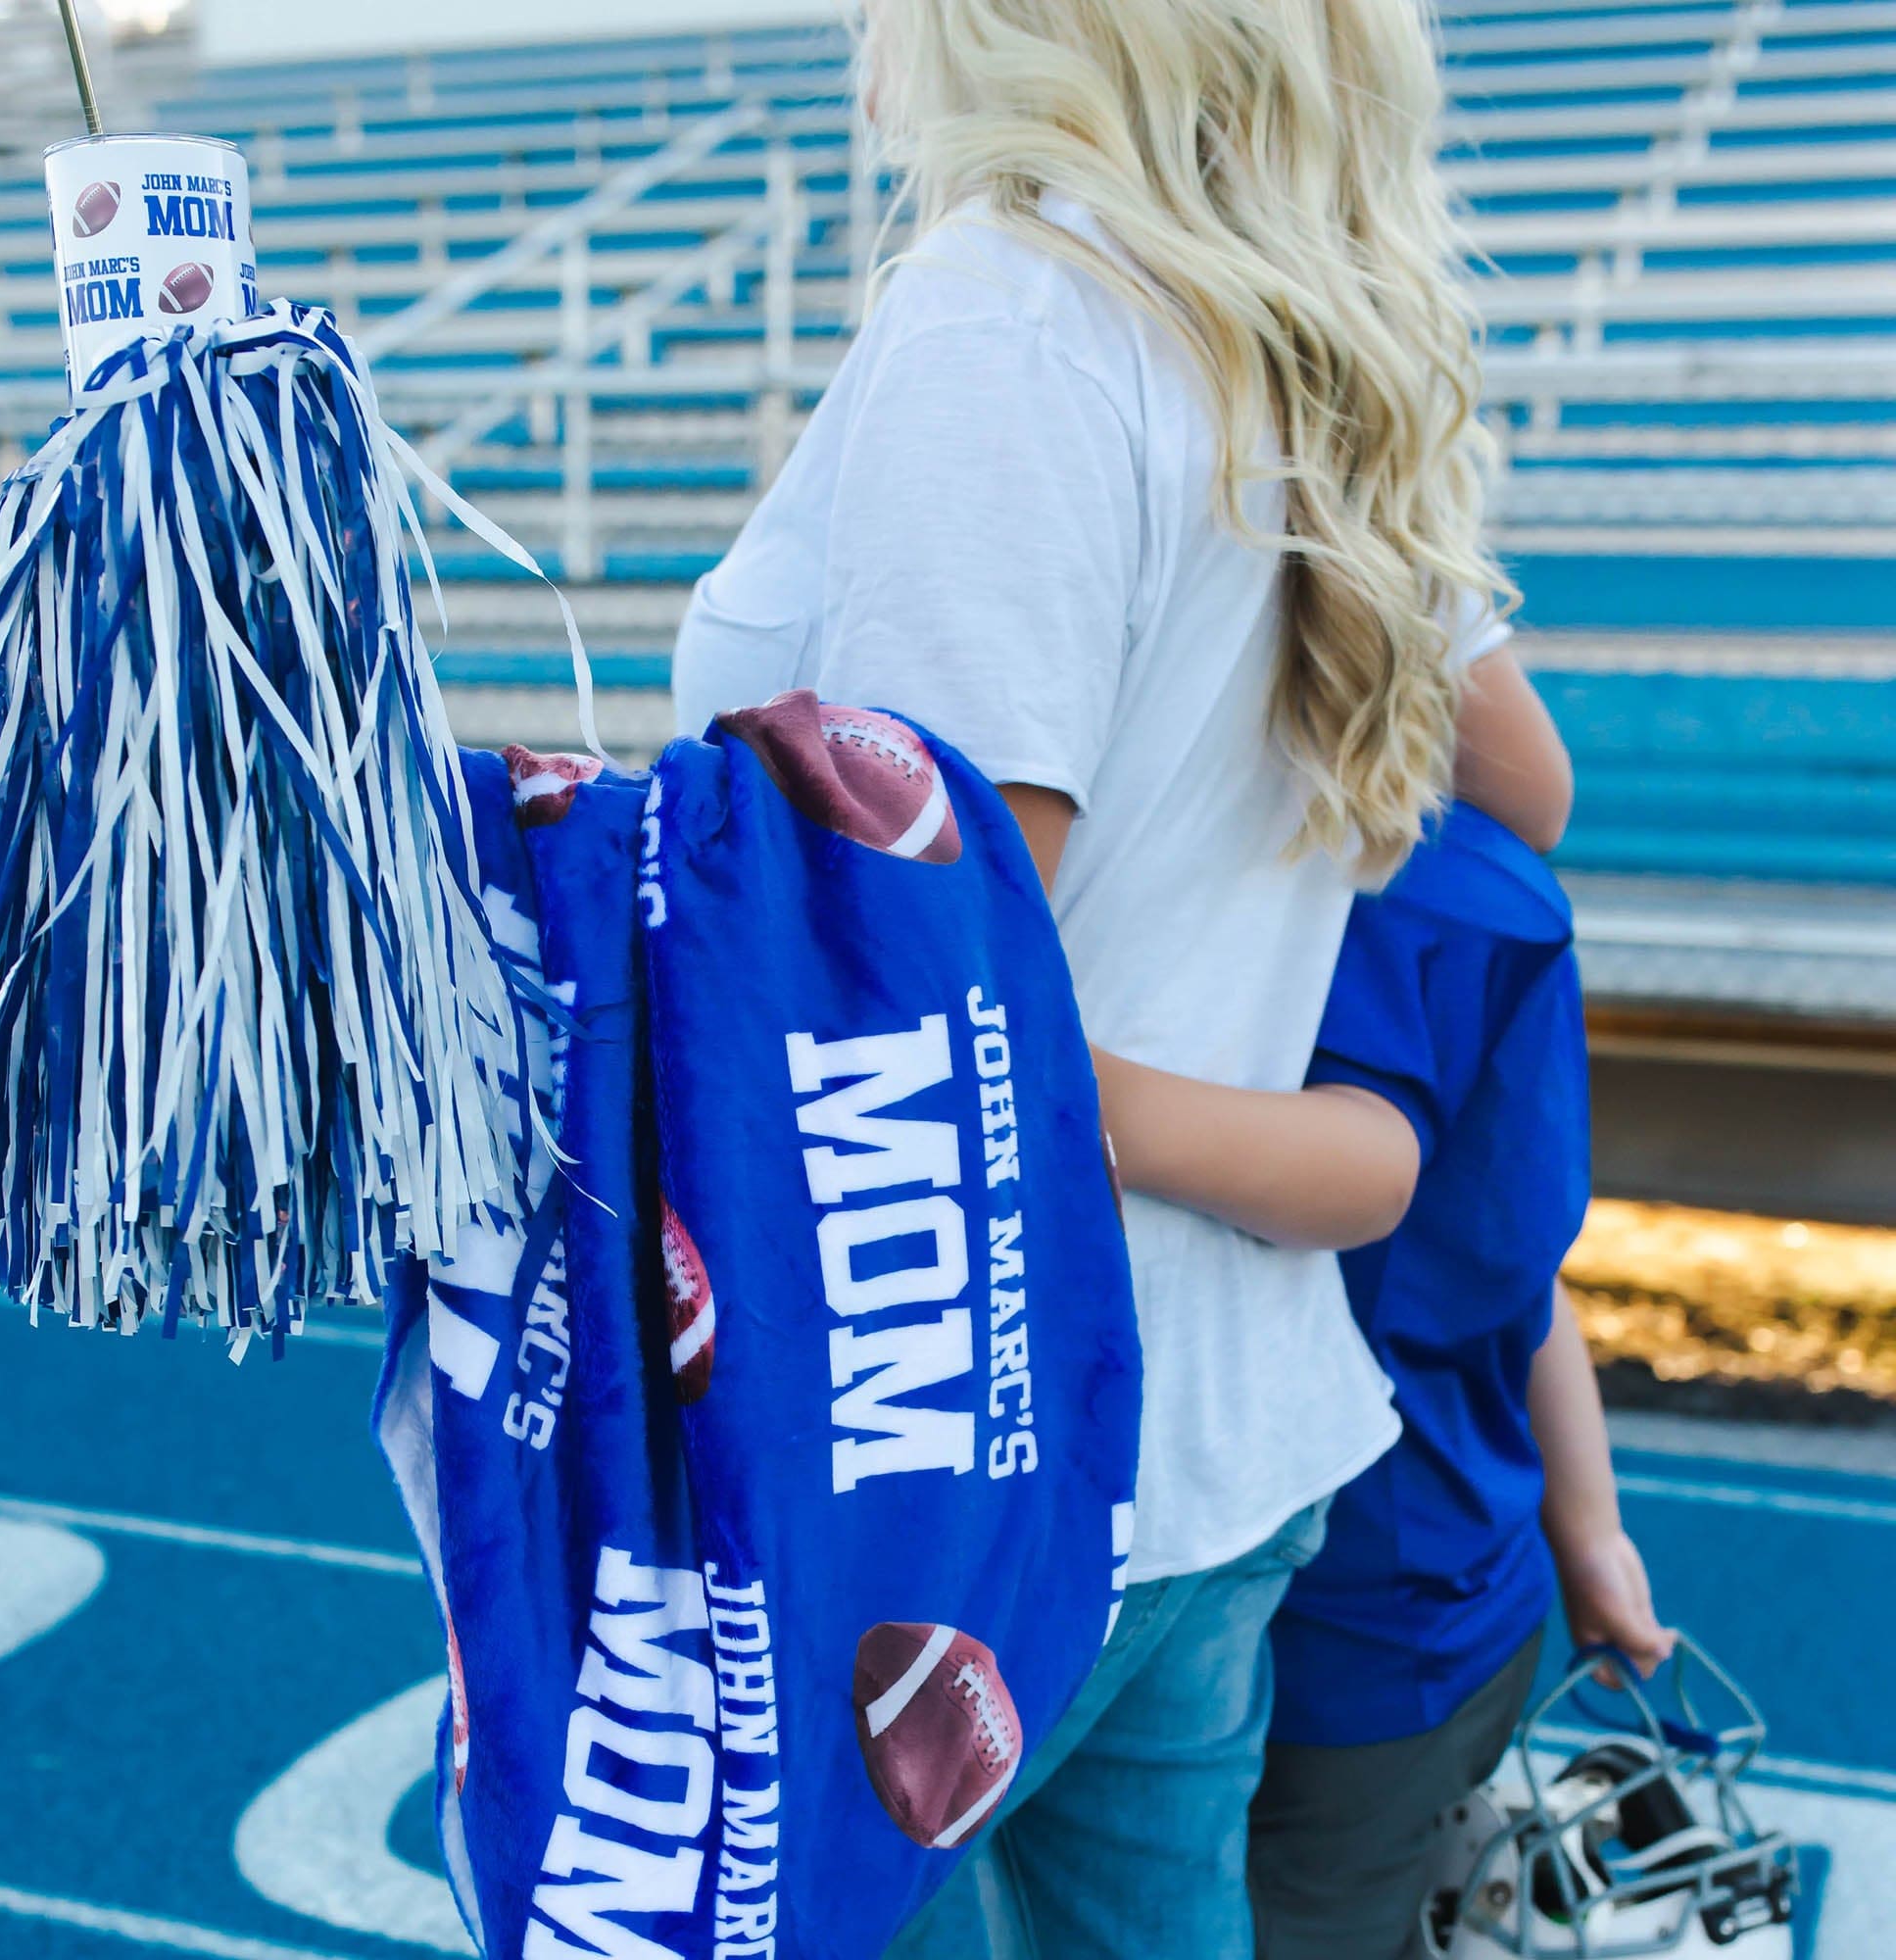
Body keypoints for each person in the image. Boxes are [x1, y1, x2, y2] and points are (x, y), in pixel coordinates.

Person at [673, 1, 1572, 1952]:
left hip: (971, 1458)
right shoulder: (1280, 349)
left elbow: (921, 994)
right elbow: (1520, 784)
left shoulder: (1013, 317)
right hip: (1215, 1434)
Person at [1248, 801, 1673, 1960]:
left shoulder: (1248, 911)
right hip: (1464, 1591)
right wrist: (1589, 1536)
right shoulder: (1491, 889)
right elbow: (1516, 1277)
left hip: (1337, 1641)